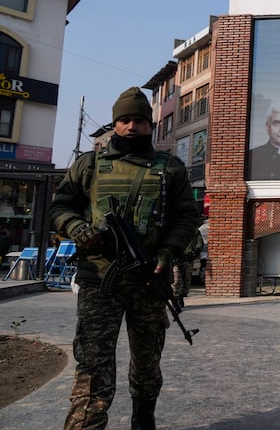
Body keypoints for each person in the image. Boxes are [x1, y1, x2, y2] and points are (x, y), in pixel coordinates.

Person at [49, 87, 201, 430]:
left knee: (148, 361)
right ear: (115, 123)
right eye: (124, 120)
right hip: (98, 281)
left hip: (149, 280)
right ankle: (87, 424)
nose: (131, 127)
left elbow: (188, 216)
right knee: (92, 363)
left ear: (150, 124)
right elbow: (60, 207)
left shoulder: (170, 169)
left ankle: (143, 419)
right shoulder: (89, 165)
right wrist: (76, 228)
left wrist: (168, 249)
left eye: (139, 121)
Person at [172, 227, 202, 307]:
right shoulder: (176, 229)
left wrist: (196, 251)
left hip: (188, 258)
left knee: (187, 280)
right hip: (177, 258)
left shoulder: (194, 230)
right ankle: (176, 297)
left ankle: (181, 296)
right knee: (177, 279)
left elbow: (199, 243)